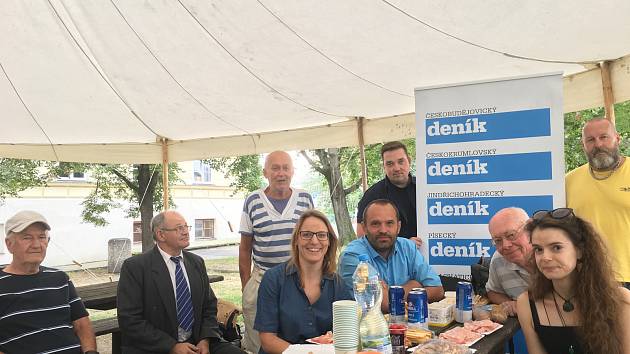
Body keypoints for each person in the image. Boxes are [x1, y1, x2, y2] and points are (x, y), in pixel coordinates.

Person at [117, 210, 244, 354]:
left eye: (186, 227)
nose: (186, 232)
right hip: (156, 346)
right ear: (160, 234)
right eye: (179, 228)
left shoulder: (196, 262)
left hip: (198, 342)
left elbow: (209, 306)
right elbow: (129, 319)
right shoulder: (136, 267)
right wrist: (172, 346)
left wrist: (206, 339)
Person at [516, 208, 630, 354]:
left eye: (556, 247)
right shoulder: (527, 303)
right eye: (538, 249)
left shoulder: (621, 300)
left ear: (580, 250)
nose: (545, 257)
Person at [239, 151, 314, 353]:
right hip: (262, 279)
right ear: (265, 172)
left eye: (285, 168)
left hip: (298, 280)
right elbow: (245, 248)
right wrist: (246, 286)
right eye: (275, 168)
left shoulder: (304, 198)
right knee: (258, 342)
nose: (281, 173)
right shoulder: (253, 200)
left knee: (292, 339)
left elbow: (314, 238)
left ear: (292, 172)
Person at [0, 210, 98, 354]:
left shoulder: (60, 278)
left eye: (41, 237)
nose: (36, 244)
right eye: (27, 238)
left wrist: (91, 352)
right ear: (9, 244)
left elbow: (82, 324)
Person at [254, 210, 351, 354]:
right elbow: (268, 340)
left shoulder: (338, 284)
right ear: (296, 240)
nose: (314, 241)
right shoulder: (273, 279)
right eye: (306, 234)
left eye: (321, 235)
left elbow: (347, 333)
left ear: (329, 241)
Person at [339, 199, 443, 313]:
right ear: (364, 227)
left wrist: (390, 293)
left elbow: (437, 290)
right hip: (365, 328)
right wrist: (414, 286)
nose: (383, 230)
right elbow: (383, 304)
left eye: (389, 223)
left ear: (398, 227)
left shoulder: (407, 247)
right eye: (375, 224)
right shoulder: (352, 256)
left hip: (408, 327)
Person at [565, 117, 630, 287]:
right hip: (590, 277)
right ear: (583, 145)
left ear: (617, 138)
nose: (598, 144)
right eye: (590, 140)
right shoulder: (569, 181)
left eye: (604, 137)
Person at [356, 141, 421, 246]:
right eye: (390, 164)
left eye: (401, 161)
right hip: (389, 260)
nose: (396, 168)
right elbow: (361, 236)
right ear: (384, 166)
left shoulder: (424, 188)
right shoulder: (372, 195)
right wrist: (403, 245)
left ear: (409, 161)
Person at [485, 207, 534, 316]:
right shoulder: (498, 259)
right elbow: (493, 291)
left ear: (530, 229)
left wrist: (523, 306)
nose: (505, 245)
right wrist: (511, 304)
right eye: (498, 240)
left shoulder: (551, 257)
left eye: (511, 235)